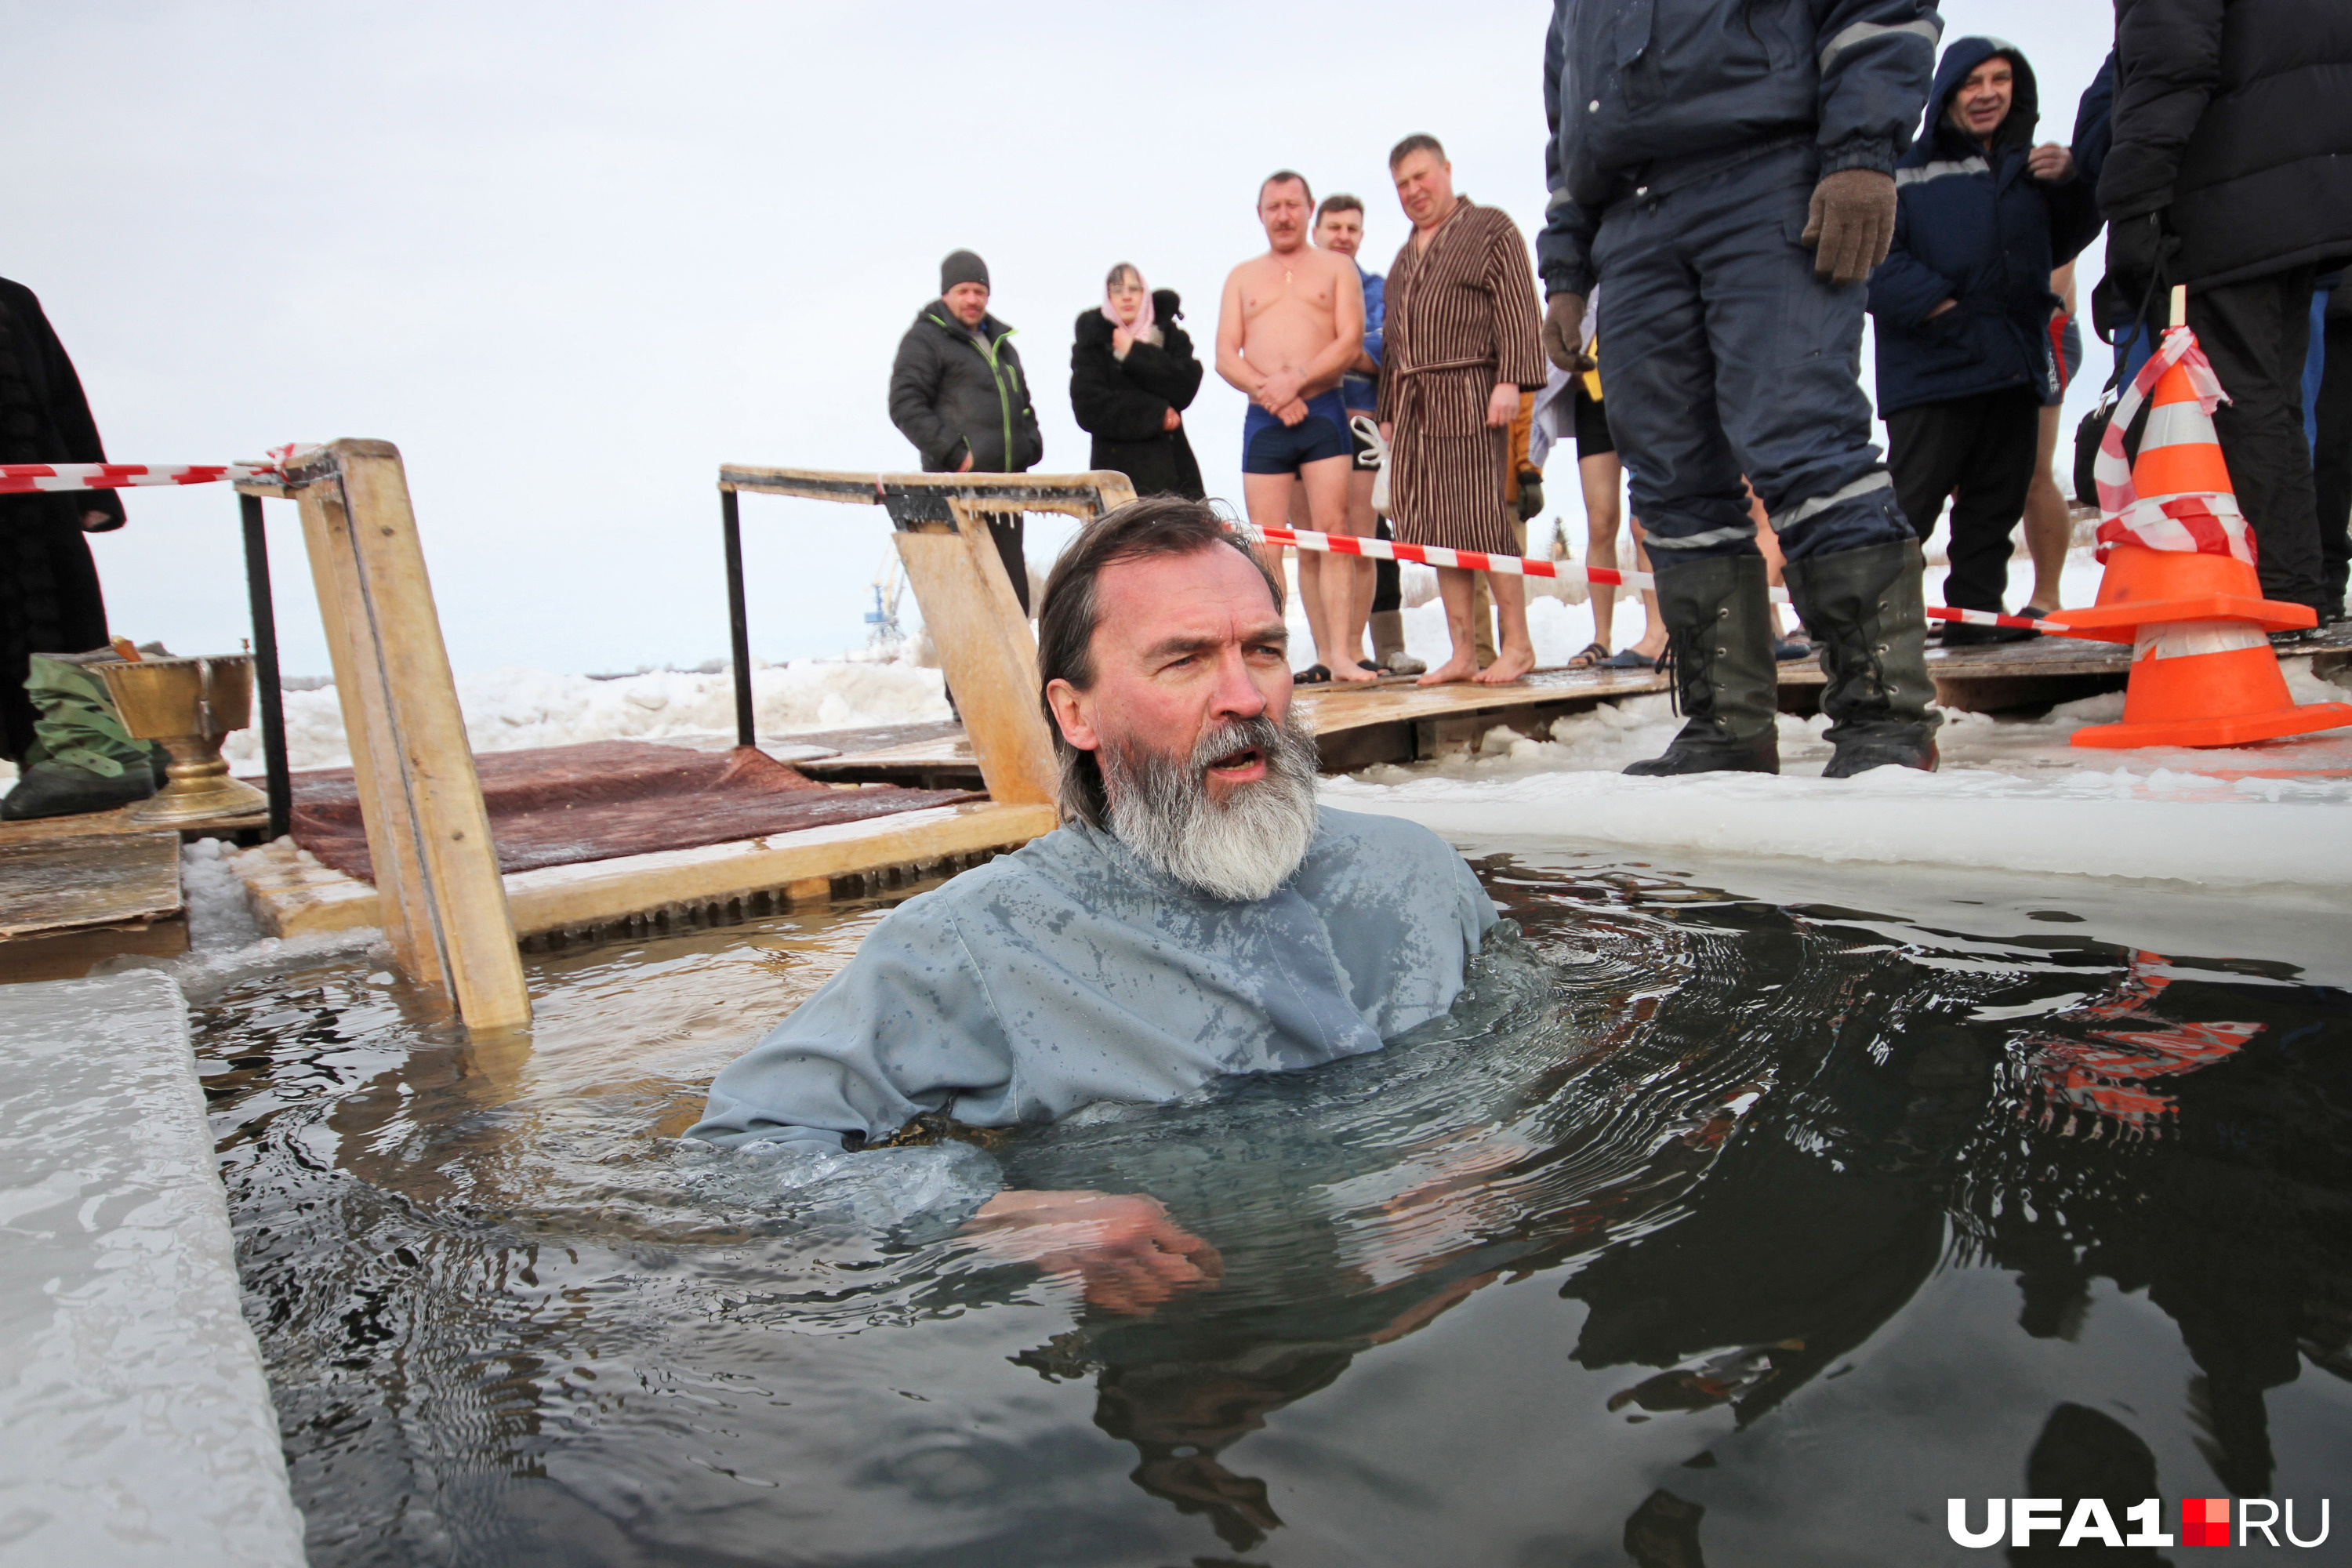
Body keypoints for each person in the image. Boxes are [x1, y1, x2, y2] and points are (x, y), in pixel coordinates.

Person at [691, 496, 1496, 1294]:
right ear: (1076, 712)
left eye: (1264, 650)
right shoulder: (975, 944)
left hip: (1406, 1327)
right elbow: (740, 1151)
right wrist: (996, 1213)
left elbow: (1525, 1013)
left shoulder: (1413, 873)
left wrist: (1499, 1141)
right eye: (1183, 660)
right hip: (1180, 1332)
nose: (1246, 697)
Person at [1541, 0, 1944, 778]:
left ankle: (1886, 719)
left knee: (1800, 436)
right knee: (1669, 477)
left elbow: (1880, 8)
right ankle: (1726, 723)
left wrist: (1861, 149)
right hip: (1629, 219)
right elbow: (1567, 116)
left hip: (1766, 172)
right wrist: (1566, 266)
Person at [2099, 0, 2352, 622]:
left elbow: (2168, 64)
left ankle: (2274, 601)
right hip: (2301, 191)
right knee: (2275, 404)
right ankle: (2297, 592)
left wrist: (2134, 201)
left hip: (2225, 194)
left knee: (2237, 407)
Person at [1867, 38, 2102, 645]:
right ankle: (1871, 627)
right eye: (1973, 82)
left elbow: (2068, 240)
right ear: (1947, 92)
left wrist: (2074, 183)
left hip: (2013, 365)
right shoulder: (1901, 168)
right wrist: (1946, 312)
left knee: (1993, 509)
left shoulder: (2032, 171)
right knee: (1908, 509)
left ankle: (1975, 620)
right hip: (1931, 371)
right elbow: (1873, 263)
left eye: (2001, 80)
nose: (1988, 93)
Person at [1377, 134, 1548, 688]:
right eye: (1402, 183)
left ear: (1446, 170)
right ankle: (1462, 653)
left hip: (1476, 395)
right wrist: (1387, 413)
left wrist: (1512, 381)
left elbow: (1520, 305)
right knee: (1438, 533)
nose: (1413, 190)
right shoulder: (1405, 258)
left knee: (1482, 521)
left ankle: (1517, 645)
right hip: (1417, 407)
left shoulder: (1491, 228)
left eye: (1422, 176)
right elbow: (1395, 343)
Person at [0, 276, 150, 819]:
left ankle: (69, 762)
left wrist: (94, 489)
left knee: (59, 628)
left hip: (38, 511)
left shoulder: (12, 299)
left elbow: (62, 399)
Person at [1217, 172, 1371, 684]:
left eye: (1292, 205)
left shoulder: (1335, 269)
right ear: (1260, 214)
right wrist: (1272, 393)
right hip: (1265, 418)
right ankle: (1269, 657)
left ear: (1308, 209)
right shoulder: (1242, 276)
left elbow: (1350, 339)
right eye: (1272, 206)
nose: (1283, 215)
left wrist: (1299, 381)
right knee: (1265, 543)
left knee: (1334, 534)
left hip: (1323, 410)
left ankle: (1340, 653)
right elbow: (1224, 355)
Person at [887, 249, 1045, 612]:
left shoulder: (1005, 347)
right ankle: (963, 673)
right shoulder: (925, 339)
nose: (973, 299)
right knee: (967, 609)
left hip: (1006, 495)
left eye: (979, 291)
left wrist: (1030, 446)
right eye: (964, 291)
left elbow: (1023, 405)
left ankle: (1017, 672)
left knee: (1011, 605)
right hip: (956, 496)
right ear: (946, 294)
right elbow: (904, 403)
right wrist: (956, 455)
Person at [1283, 194, 1392, 677]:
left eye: (1352, 228)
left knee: (1358, 540)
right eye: (1334, 227)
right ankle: (1327, 654)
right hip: (1299, 419)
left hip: (1359, 419)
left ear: (1361, 235)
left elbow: (1380, 350)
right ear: (1317, 230)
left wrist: (1321, 355)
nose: (1343, 236)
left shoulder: (1378, 289)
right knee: (1311, 543)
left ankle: (1355, 646)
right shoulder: (1288, 287)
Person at [1069, 263, 1203, 501]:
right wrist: (1156, 414)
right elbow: (1089, 408)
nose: (1127, 296)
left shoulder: (1170, 337)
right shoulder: (1094, 345)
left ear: (1146, 293)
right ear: (1108, 297)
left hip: (1174, 474)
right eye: (1118, 290)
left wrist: (1134, 352)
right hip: (1118, 479)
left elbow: (1185, 386)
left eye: (1135, 289)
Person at [2018, 260, 2085, 617]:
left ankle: (2047, 597)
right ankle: (1978, 599)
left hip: (2044, 327)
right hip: (1979, 330)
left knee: (2035, 472)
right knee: (1965, 475)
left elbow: (2063, 259)